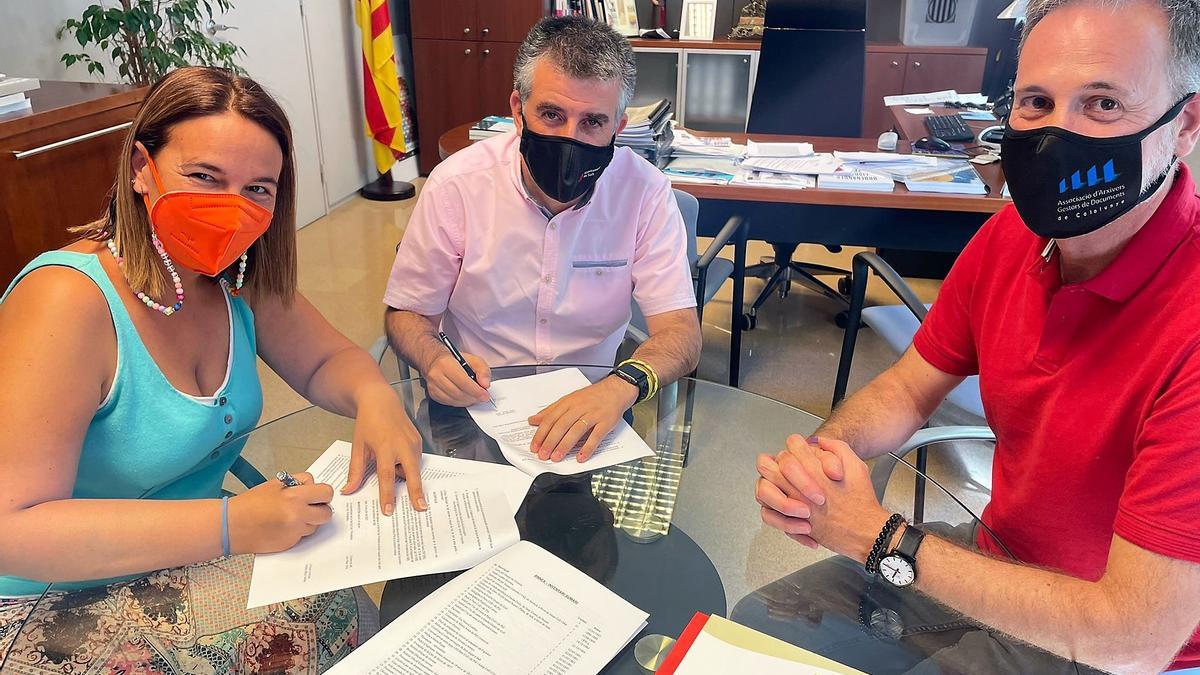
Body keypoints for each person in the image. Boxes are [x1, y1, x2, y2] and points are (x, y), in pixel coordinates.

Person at [754, 0, 1200, 672]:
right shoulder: (1012, 237)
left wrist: (882, 540)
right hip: (995, 558)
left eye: (1103, 104)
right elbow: (909, 387)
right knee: (756, 635)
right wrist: (824, 461)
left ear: (1186, 124)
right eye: (1037, 101)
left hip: (1100, 645)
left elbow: (1132, 635)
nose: (1058, 134)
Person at [0, 67, 426, 673]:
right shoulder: (66, 301)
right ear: (141, 168)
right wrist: (230, 524)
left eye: (259, 188)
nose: (232, 209)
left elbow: (330, 359)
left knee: (345, 606)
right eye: (203, 177)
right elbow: (13, 529)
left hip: (183, 554)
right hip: (44, 595)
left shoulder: (236, 278)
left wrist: (375, 398)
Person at [383, 16, 701, 464]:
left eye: (593, 122)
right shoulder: (457, 185)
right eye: (551, 115)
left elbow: (681, 333)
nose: (570, 138)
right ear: (518, 109)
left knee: (588, 534)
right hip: (476, 406)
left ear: (619, 126)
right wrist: (435, 360)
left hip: (598, 404)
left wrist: (621, 386)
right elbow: (408, 314)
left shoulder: (645, 193)